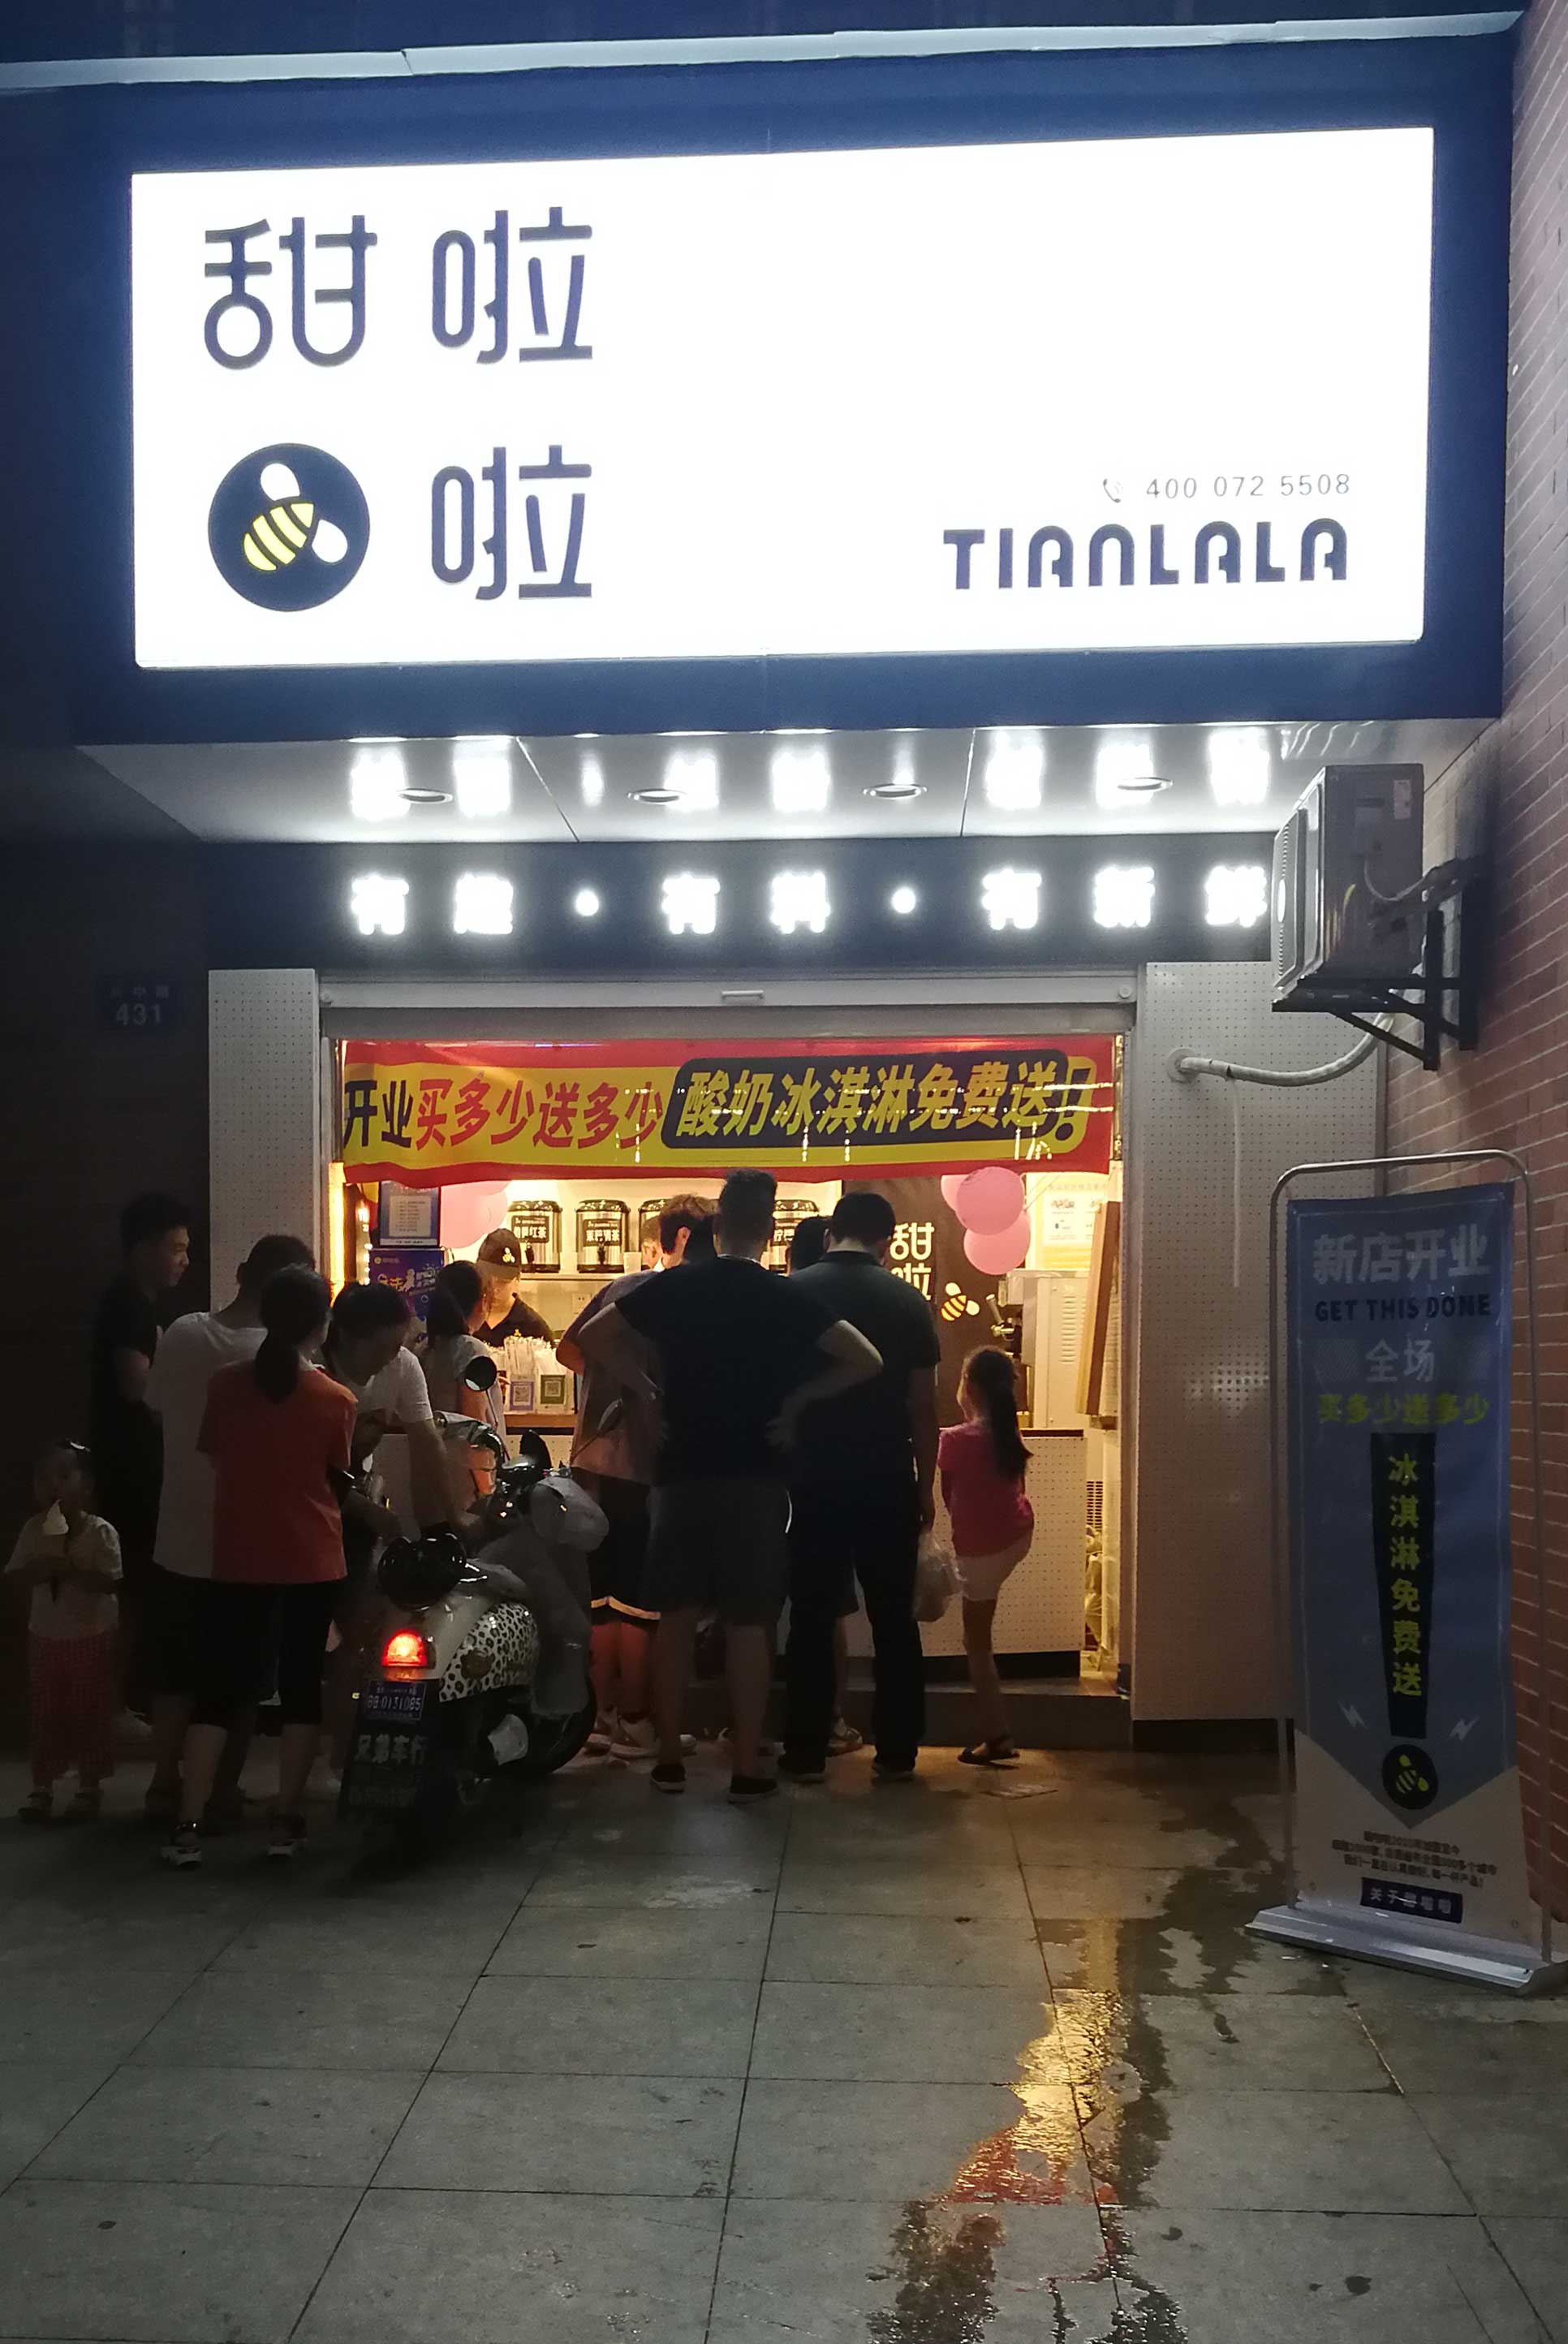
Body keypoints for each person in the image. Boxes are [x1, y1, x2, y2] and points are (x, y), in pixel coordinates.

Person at [578, 1168, 881, 1802]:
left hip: (679, 1473)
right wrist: (798, 1401)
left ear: (717, 1224)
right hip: (757, 1476)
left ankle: (668, 1759)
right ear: (769, 1230)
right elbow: (866, 1359)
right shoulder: (784, 1297)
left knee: (675, 1616)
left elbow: (593, 1337)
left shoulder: (674, 1287)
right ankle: (745, 1764)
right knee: (749, 1622)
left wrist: (646, 1390)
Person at [163, 1268, 354, 1868]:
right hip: (313, 1557)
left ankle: (188, 1826)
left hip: (238, 1554)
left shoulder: (225, 1386)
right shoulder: (337, 1400)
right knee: (301, 1690)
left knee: (218, 1693)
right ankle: (286, 1820)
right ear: (321, 1325)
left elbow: (217, 1457)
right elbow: (336, 1475)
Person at [142, 1233, 316, 1824]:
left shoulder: (184, 1333)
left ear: (241, 1272)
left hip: (178, 1533)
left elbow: (156, 1410)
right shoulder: (284, 1361)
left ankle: (164, 1785)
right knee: (241, 1678)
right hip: (250, 1542)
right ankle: (221, 1793)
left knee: (176, 1671)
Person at [782, 1190, 941, 1785]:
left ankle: (805, 1750)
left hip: (809, 1479)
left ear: (830, 1234)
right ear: (888, 1243)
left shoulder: (794, 1292)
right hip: (886, 1476)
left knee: (811, 1615)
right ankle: (897, 1751)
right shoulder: (907, 1301)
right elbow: (923, 1406)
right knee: (893, 1617)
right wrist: (926, 1486)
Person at [557, 1194, 713, 1760]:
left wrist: (605, 1383)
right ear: (688, 1239)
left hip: (589, 1463)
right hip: (640, 1468)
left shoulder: (620, 1286)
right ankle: (639, 1721)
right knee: (641, 1604)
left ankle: (601, 1719)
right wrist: (641, 1390)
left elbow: (567, 1350)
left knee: (600, 1599)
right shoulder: (671, 1296)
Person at [88, 1192, 192, 1717]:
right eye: (175, 1248)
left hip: (139, 1465)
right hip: (130, 1469)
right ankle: (122, 1706)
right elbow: (138, 1387)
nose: (184, 1260)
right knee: (137, 1589)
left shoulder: (141, 1303)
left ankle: (130, 1703)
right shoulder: (127, 1304)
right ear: (142, 1248)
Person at [7, 1441, 122, 1824]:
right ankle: (43, 1785)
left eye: (62, 1475)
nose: (51, 1485)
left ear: (85, 1484)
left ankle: (89, 1785)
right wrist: (39, 1569)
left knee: (90, 1712)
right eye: (42, 1478)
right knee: (45, 1713)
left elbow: (111, 1581)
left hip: (92, 1636)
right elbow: (14, 1576)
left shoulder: (101, 1532)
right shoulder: (33, 1530)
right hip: (44, 1635)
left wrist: (71, 1570)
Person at [786, 1210, 859, 1758]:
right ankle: (832, 1719)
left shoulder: (776, 1304)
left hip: (772, 1475)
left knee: (757, 1609)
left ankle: (749, 1722)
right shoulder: (843, 1316)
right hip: (834, 1475)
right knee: (829, 1607)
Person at [940, 1346, 1035, 1767]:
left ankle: (997, 1736)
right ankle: (996, 1733)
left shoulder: (956, 1440)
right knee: (980, 1633)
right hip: (1017, 1535)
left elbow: (947, 1495)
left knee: (976, 1643)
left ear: (971, 1387)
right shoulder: (1006, 1432)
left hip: (981, 1551)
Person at [420, 1260, 507, 1438]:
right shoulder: (471, 1350)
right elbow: (475, 1429)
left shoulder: (425, 1348)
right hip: (463, 1455)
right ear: (483, 1302)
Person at [472, 1228, 554, 1345]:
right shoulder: (466, 1318)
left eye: (503, 1282)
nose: (494, 1289)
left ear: (518, 1279)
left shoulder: (533, 1328)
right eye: (488, 1280)